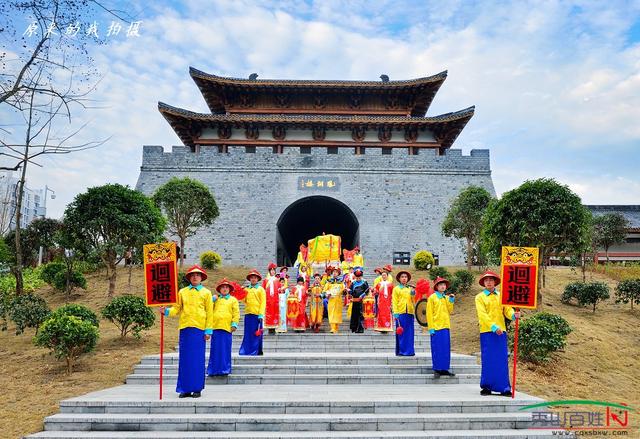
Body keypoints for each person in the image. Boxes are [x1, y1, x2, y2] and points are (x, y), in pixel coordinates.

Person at [160, 265, 213, 398]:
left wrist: (208, 331)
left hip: (199, 330)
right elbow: (176, 308)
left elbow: (210, 313)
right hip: (185, 329)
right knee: (185, 359)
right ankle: (184, 388)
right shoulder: (182, 292)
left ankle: (197, 388)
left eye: (197, 275)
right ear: (189, 278)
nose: (195, 277)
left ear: (201, 278)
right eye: (192, 275)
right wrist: (166, 311)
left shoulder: (206, 293)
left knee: (197, 359)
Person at [475, 270, 520, 397]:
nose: (488, 282)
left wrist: (513, 315)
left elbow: (507, 310)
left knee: (501, 359)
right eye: (486, 280)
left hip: (501, 332)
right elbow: (482, 315)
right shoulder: (479, 297)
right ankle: (486, 387)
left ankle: (504, 387)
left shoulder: (501, 295)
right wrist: (494, 327)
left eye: (491, 280)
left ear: (495, 282)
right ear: (483, 282)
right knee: (488, 359)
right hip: (487, 332)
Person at [207, 278, 240, 376]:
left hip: (226, 328)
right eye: (222, 287)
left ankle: (225, 369)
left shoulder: (233, 300)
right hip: (215, 327)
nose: (224, 289)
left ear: (229, 289)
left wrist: (234, 324)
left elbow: (236, 313)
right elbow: (208, 310)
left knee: (225, 349)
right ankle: (213, 369)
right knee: (215, 349)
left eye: (226, 287)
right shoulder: (216, 299)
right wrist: (211, 300)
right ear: (219, 289)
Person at [427, 276, 456, 378]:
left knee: (445, 349)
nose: (443, 286)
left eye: (444, 285)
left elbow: (450, 311)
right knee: (437, 348)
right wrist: (431, 328)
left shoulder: (447, 298)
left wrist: (451, 301)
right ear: (436, 286)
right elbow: (429, 314)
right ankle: (437, 369)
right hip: (436, 327)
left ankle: (445, 368)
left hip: (446, 326)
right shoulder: (432, 298)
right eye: (440, 285)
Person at [239, 269, 266, 356]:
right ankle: (246, 350)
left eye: (255, 278)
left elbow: (263, 302)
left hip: (257, 314)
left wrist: (261, 314)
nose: (253, 279)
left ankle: (255, 350)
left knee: (256, 333)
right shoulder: (247, 289)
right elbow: (244, 301)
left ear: (258, 279)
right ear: (249, 279)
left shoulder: (261, 289)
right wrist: (241, 292)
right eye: (252, 278)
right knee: (248, 333)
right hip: (248, 313)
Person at [392, 270, 415, 356]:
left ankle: (410, 351)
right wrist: (395, 312)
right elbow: (394, 301)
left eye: (405, 277)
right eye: (402, 277)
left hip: (410, 312)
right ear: (399, 279)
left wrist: (413, 293)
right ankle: (401, 351)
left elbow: (414, 300)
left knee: (409, 333)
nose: (404, 278)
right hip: (400, 313)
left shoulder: (410, 288)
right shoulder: (396, 289)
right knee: (401, 332)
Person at [323, 266, 345, 333]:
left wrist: (345, 291)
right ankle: (332, 328)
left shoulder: (341, 282)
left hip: (338, 299)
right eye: (333, 272)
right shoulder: (329, 281)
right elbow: (324, 290)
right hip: (331, 299)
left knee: (337, 313)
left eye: (336, 272)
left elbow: (343, 290)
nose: (335, 273)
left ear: (338, 273)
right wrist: (326, 294)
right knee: (331, 313)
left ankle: (336, 327)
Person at [348, 266, 369, 333]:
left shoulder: (364, 282)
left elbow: (367, 291)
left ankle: (360, 328)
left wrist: (362, 295)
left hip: (361, 301)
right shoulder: (353, 283)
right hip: (355, 300)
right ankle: (354, 328)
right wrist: (348, 291)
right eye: (357, 278)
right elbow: (350, 290)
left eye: (359, 278)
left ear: (361, 277)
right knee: (354, 314)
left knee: (360, 314)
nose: (358, 279)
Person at [262, 262, 281, 333]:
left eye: (274, 270)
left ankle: (275, 327)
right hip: (268, 300)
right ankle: (269, 327)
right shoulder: (266, 280)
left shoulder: (277, 280)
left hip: (275, 299)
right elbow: (263, 289)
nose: (273, 272)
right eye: (271, 270)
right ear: (269, 271)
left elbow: (279, 289)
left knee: (275, 312)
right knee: (269, 313)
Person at [374, 267, 394, 333]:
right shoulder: (379, 284)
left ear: (387, 276)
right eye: (382, 275)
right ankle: (381, 327)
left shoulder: (390, 284)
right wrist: (377, 291)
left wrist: (392, 301)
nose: (384, 276)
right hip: (381, 301)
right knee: (381, 313)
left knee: (387, 313)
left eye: (385, 275)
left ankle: (387, 327)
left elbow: (393, 293)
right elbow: (375, 292)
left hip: (388, 301)